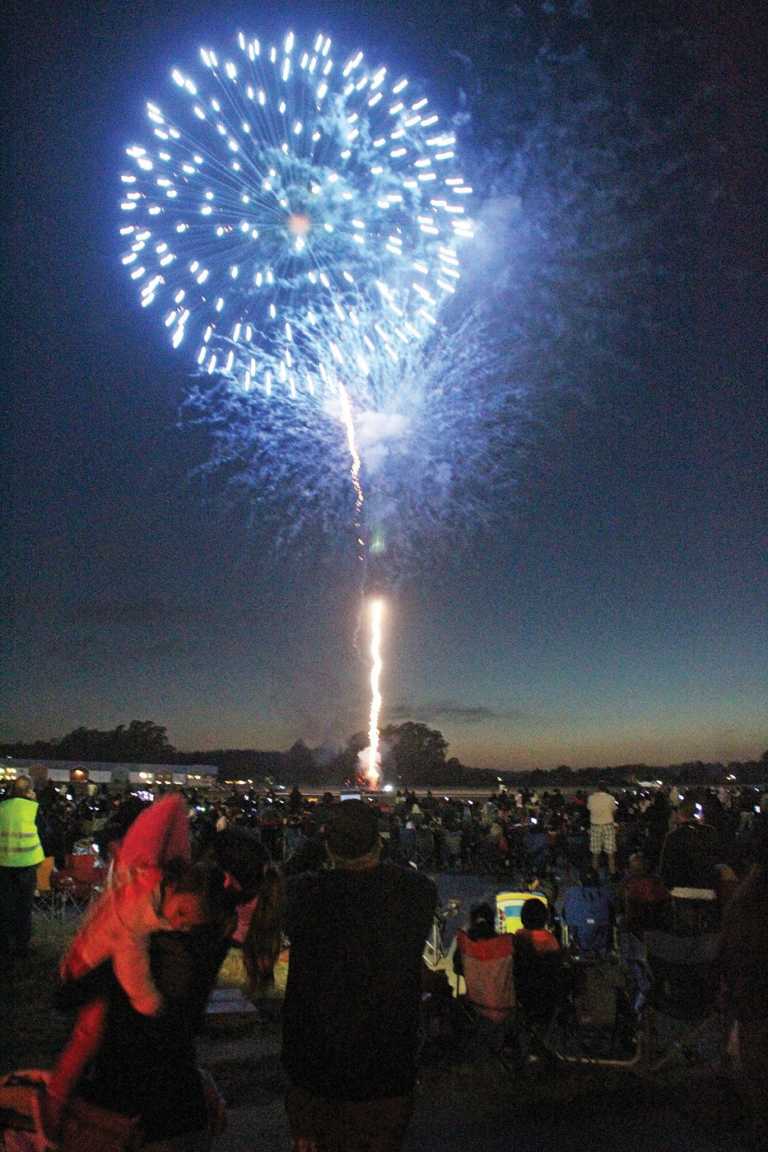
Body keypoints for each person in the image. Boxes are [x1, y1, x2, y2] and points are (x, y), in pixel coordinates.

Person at [281, 800, 436, 1152]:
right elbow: (413, 879)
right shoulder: (415, 893)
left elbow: (283, 877)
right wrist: (384, 849)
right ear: (378, 843)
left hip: (314, 1064)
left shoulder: (303, 894)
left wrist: (314, 846)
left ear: (327, 843)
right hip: (385, 1063)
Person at [44, 795, 203, 1135]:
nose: (180, 925)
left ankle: (67, 1104)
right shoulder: (141, 891)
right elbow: (131, 952)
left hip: (92, 958)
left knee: (91, 1037)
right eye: (183, 916)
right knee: (88, 1035)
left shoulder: (146, 885)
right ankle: (54, 1108)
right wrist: (146, 1000)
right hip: (90, 965)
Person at [0, 774, 45, 961]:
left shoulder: (2, 807)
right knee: (24, 908)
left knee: (5, 907)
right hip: (27, 864)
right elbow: (45, 831)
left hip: (3, 863)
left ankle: (4, 946)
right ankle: (21, 947)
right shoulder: (33, 808)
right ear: (29, 791)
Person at [587, 783, 617, 874]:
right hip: (608, 825)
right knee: (610, 853)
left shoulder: (591, 798)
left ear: (597, 789)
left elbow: (589, 809)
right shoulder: (611, 798)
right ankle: (612, 873)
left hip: (595, 825)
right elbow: (614, 811)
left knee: (595, 854)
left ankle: (594, 875)